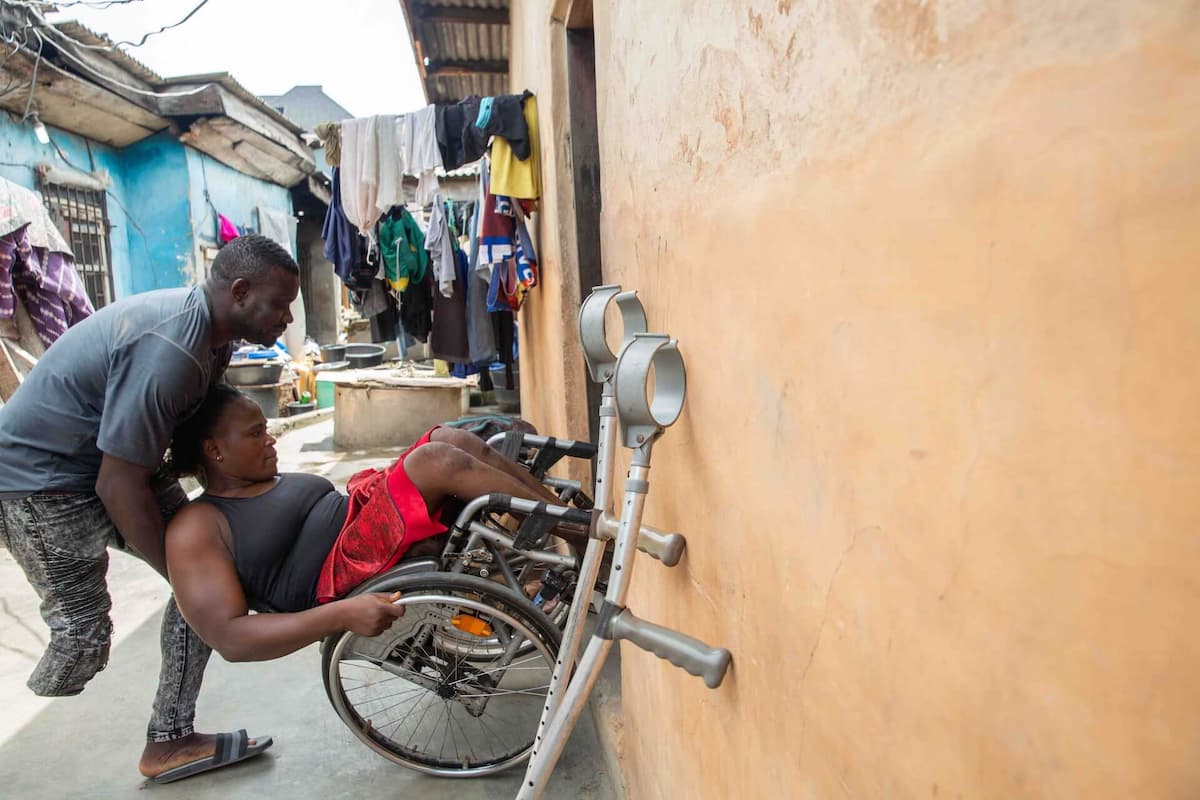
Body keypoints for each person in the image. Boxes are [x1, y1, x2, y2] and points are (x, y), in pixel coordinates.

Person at [0, 234, 300, 782]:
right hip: (40, 485)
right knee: (82, 641)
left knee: (211, 583)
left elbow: (179, 440)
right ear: (238, 291)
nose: (287, 317)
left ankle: (170, 740)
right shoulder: (175, 350)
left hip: (107, 466)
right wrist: (186, 578)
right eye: (280, 304)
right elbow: (119, 485)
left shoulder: (214, 340)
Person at [162, 384, 565, 667]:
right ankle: (585, 531)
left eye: (266, 430)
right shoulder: (196, 527)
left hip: (362, 522)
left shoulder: (262, 478)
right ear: (214, 450)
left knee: (447, 440)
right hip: (342, 572)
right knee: (436, 461)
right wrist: (340, 615)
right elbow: (231, 638)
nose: (269, 441)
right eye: (255, 434)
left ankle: (573, 524)